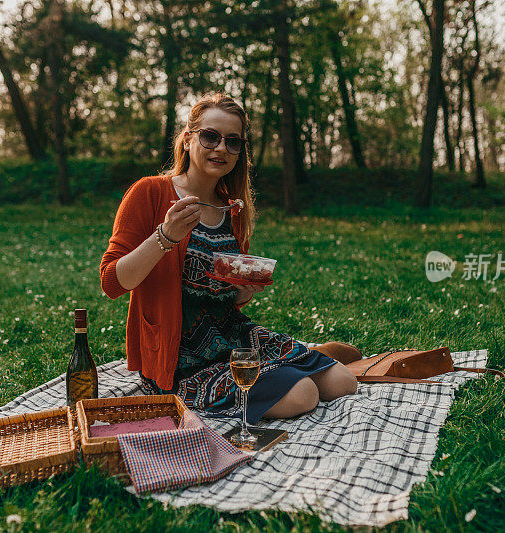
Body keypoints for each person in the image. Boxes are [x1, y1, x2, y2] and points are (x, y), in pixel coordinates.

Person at [100, 92, 360, 424]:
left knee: (344, 382)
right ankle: (298, 363)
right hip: (181, 356)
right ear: (187, 139)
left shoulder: (233, 208)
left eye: (232, 142)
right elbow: (111, 282)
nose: (221, 148)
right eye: (210, 136)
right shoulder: (150, 193)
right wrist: (166, 236)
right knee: (303, 395)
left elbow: (228, 300)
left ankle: (301, 359)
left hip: (232, 335)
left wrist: (245, 289)